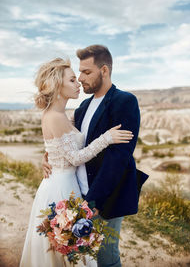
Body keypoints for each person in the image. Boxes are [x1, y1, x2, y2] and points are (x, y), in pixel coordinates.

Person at [20, 57, 133, 267]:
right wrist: (106, 138)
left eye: (79, 77)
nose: (78, 83)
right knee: (64, 249)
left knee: (73, 248)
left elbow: (60, 146)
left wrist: (48, 156)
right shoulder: (54, 116)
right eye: (72, 80)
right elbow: (74, 157)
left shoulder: (64, 114)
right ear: (57, 84)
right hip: (61, 188)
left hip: (68, 183)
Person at [43, 45, 149, 267]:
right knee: (83, 258)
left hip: (105, 197)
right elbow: (66, 144)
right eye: (79, 72)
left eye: (86, 72)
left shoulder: (124, 101)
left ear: (104, 71)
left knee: (106, 258)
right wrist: (48, 157)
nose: (80, 78)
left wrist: (94, 201)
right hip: (76, 193)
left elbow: (118, 158)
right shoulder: (82, 107)